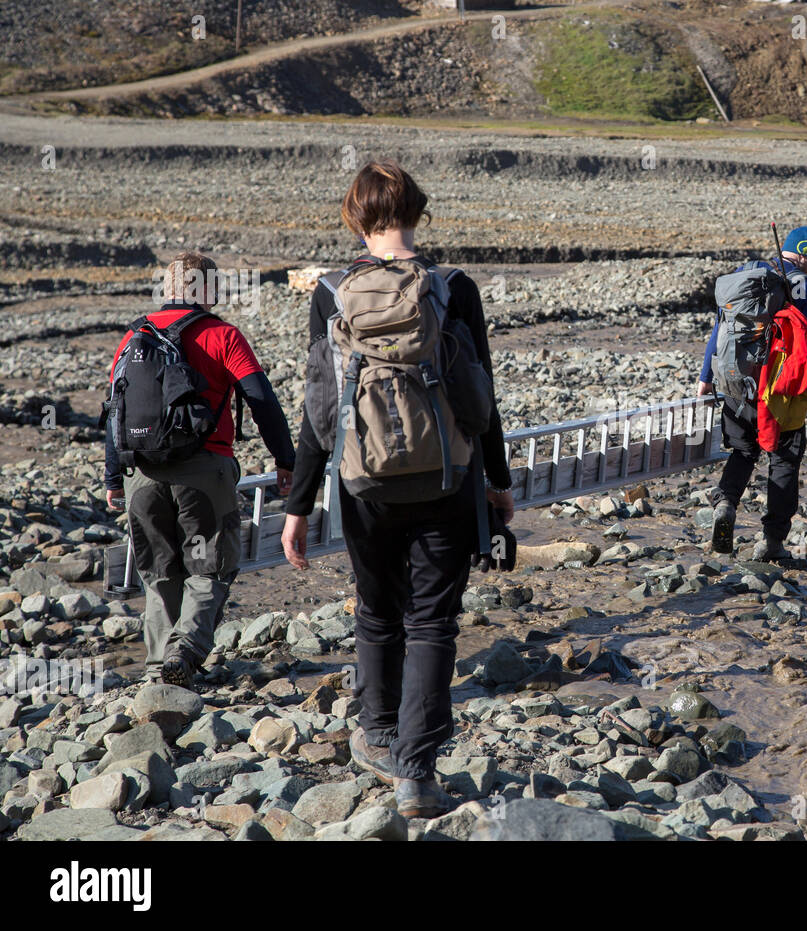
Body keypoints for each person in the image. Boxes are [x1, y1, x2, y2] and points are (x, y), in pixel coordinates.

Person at [279, 160, 514, 819]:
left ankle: (378, 732)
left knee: (377, 609)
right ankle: (416, 772)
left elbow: (320, 410)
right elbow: (481, 397)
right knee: (433, 618)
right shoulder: (453, 287)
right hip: (446, 477)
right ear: (416, 211)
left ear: (356, 217)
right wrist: (497, 483)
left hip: (364, 482)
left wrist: (298, 505)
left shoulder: (331, 290)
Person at [105, 251, 296, 688]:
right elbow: (261, 399)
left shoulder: (133, 337)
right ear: (208, 290)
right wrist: (286, 461)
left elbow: (114, 409)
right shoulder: (222, 335)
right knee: (209, 566)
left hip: (143, 474)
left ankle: (160, 676)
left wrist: (114, 476)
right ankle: (186, 650)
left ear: (167, 287)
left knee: (158, 572)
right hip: (206, 470)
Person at [698, 225, 807, 561]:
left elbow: (720, 327)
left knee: (742, 452)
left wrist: (705, 377)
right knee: (784, 460)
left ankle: (725, 502)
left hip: (735, 383)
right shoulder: (805, 286)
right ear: (804, 252)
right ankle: (771, 543)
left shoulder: (746, 274)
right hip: (784, 392)